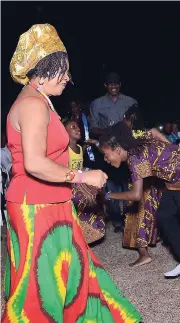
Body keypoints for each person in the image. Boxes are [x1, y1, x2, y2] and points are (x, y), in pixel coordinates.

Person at [3, 24, 141, 323]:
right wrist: (83, 177)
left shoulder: (42, 101)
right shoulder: (31, 105)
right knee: (41, 288)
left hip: (53, 202)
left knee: (74, 272)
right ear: (45, 68)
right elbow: (34, 164)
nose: (68, 77)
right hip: (35, 206)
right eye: (62, 70)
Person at [98, 122, 180, 297]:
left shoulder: (136, 160)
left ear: (117, 149)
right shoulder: (136, 141)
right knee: (164, 216)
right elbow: (153, 131)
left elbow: (135, 195)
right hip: (173, 180)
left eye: (106, 155)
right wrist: (171, 151)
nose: (106, 159)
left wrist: (108, 196)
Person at [89, 72, 138, 233]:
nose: (114, 86)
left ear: (120, 85)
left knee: (130, 183)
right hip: (110, 151)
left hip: (127, 151)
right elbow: (93, 128)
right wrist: (111, 131)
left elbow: (137, 124)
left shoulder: (130, 101)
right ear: (105, 86)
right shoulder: (97, 104)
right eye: (110, 84)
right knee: (111, 184)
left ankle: (131, 218)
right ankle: (117, 220)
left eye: (116, 83)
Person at [121, 107, 168, 267]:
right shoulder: (153, 132)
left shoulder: (126, 137)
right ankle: (156, 240)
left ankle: (144, 254)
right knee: (153, 212)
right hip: (154, 181)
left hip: (137, 180)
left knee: (137, 216)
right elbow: (170, 149)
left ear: (128, 119)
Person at [64, 119, 106, 245]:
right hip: (70, 184)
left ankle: (89, 234)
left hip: (80, 183)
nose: (78, 129)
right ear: (64, 132)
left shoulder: (79, 148)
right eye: (73, 127)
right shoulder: (64, 150)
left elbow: (80, 167)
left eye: (78, 127)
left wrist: (89, 171)